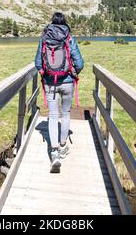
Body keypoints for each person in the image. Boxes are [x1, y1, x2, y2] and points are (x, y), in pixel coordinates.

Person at [34, 12, 84, 172]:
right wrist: (74, 72)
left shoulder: (44, 37)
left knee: (53, 116)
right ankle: (63, 146)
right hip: (68, 81)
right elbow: (80, 62)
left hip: (50, 82)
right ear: (64, 22)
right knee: (66, 114)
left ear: (52, 22)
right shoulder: (69, 38)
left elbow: (38, 62)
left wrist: (44, 72)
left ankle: (54, 151)